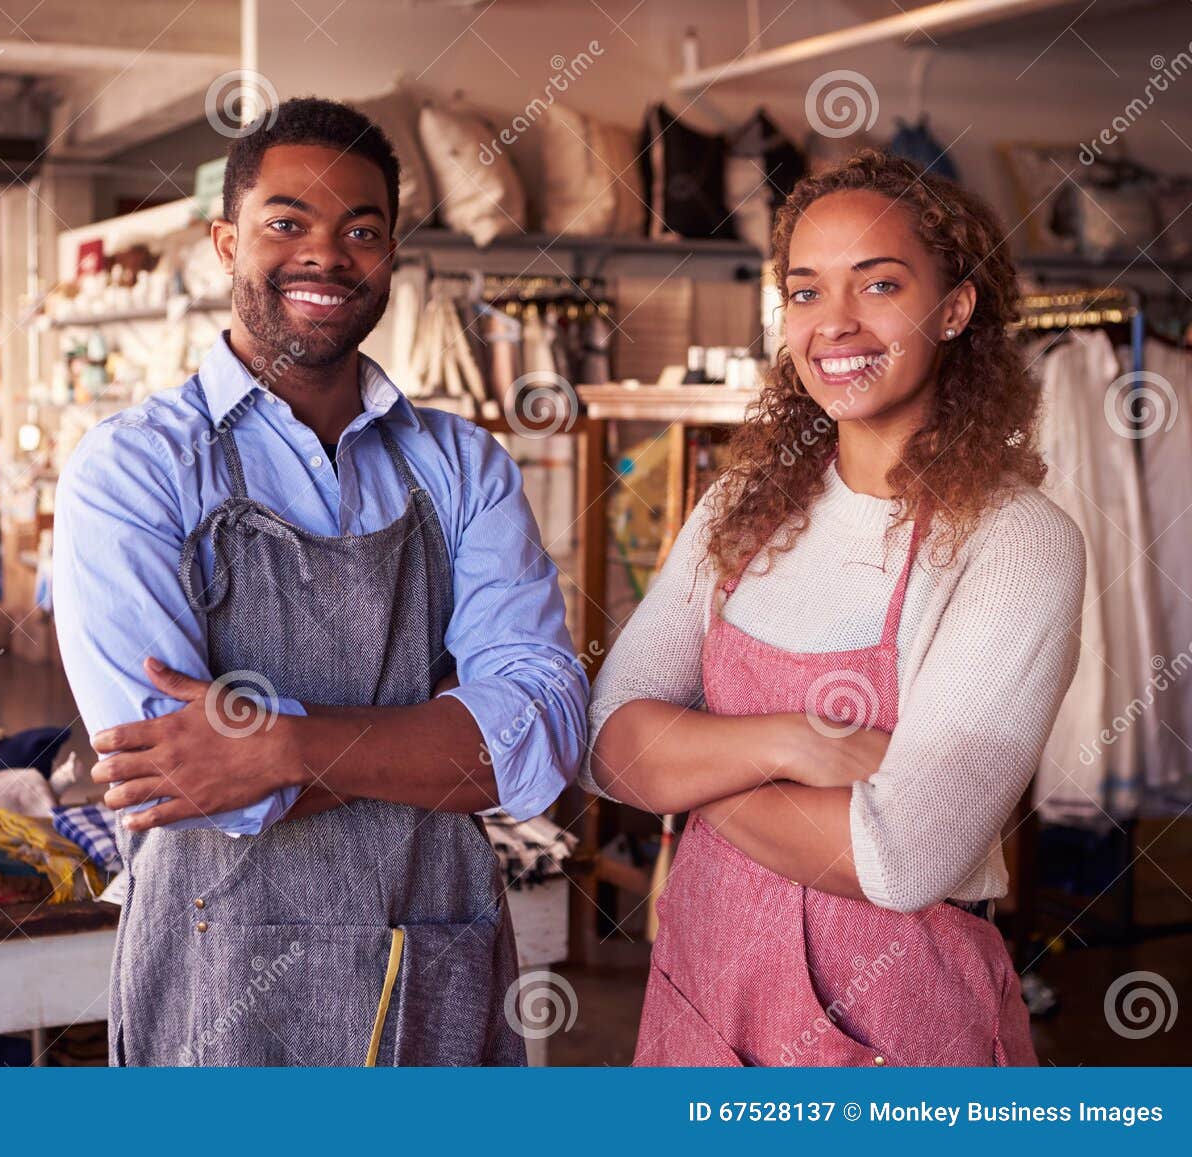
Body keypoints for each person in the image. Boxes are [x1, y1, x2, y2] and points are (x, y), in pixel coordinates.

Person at [52, 97, 587, 1067]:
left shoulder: (462, 462)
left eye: (361, 231)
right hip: (216, 970)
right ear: (226, 241)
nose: (326, 255)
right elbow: (180, 777)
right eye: (287, 222)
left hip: (434, 945)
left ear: (392, 254)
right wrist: (433, 735)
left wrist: (278, 744)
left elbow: (538, 731)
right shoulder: (134, 469)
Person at [584, 149, 1084, 1067]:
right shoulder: (740, 506)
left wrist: (692, 768)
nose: (834, 323)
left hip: (892, 1012)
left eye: (879, 283)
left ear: (957, 306)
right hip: (702, 981)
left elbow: (901, 859)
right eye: (804, 291)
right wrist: (794, 743)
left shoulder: (1014, 541)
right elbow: (611, 747)